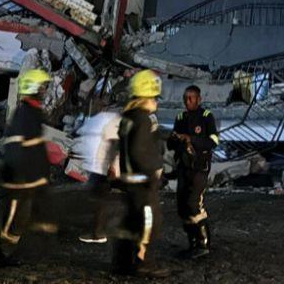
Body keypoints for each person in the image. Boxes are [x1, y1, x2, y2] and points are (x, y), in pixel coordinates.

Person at [0, 69, 57, 264]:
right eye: (42, 88)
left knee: (25, 215)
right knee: (15, 217)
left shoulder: (33, 113)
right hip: (20, 179)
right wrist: (21, 177)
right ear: (33, 89)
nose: (45, 92)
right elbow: (16, 148)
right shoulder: (25, 114)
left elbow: (35, 147)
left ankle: (18, 249)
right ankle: (3, 253)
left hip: (30, 179)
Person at [112, 70, 167, 277]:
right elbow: (139, 150)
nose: (156, 102)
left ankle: (122, 263)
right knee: (149, 223)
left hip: (129, 180)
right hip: (142, 183)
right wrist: (153, 173)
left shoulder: (128, 117)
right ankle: (143, 262)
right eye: (154, 97)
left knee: (129, 223)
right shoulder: (142, 119)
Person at [168, 85, 220, 259]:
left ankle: (203, 243)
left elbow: (213, 141)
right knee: (182, 206)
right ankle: (192, 244)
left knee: (193, 203)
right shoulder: (180, 117)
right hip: (183, 166)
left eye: (191, 98)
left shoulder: (206, 117)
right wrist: (174, 139)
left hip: (200, 167)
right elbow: (172, 144)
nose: (188, 101)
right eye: (186, 98)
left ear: (199, 99)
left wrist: (191, 139)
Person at [75, 109, 121, 244]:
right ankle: (97, 230)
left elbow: (113, 144)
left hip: (103, 167)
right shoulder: (105, 118)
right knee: (98, 197)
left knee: (99, 198)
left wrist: (111, 166)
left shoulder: (110, 119)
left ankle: (98, 233)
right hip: (100, 165)